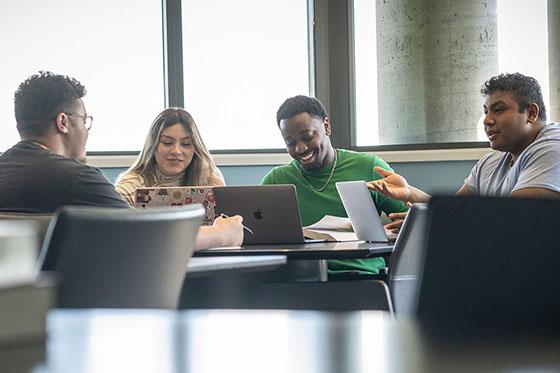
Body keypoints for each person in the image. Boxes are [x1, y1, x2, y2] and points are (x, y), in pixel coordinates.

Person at [0, 71, 243, 250]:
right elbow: (149, 237)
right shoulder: (79, 179)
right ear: (63, 122)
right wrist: (221, 234)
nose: (86, 130)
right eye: (84, 120)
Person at [261, 95, 407, 275]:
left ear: (326, 127)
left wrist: (403, 225)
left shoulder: (369, 167)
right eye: (290, 143)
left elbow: (411, 218)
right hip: (299, 281)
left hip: (359, 278)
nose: (300, 148)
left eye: (307, 137)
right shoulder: (276, 180)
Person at [368, 73, 560, 209]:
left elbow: (516, 218)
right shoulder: (490, 162)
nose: (486, 120)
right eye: (486, 111)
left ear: (531, 113)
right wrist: (409, 193)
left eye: (499, 109)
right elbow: (455, 212)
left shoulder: (552, 148)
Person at [115, 108, 225, 205]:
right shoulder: (130, 186)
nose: (176, 151)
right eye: (167, 142)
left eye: (186, 144)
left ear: (195, 148)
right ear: (153, 146)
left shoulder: (209, 176)